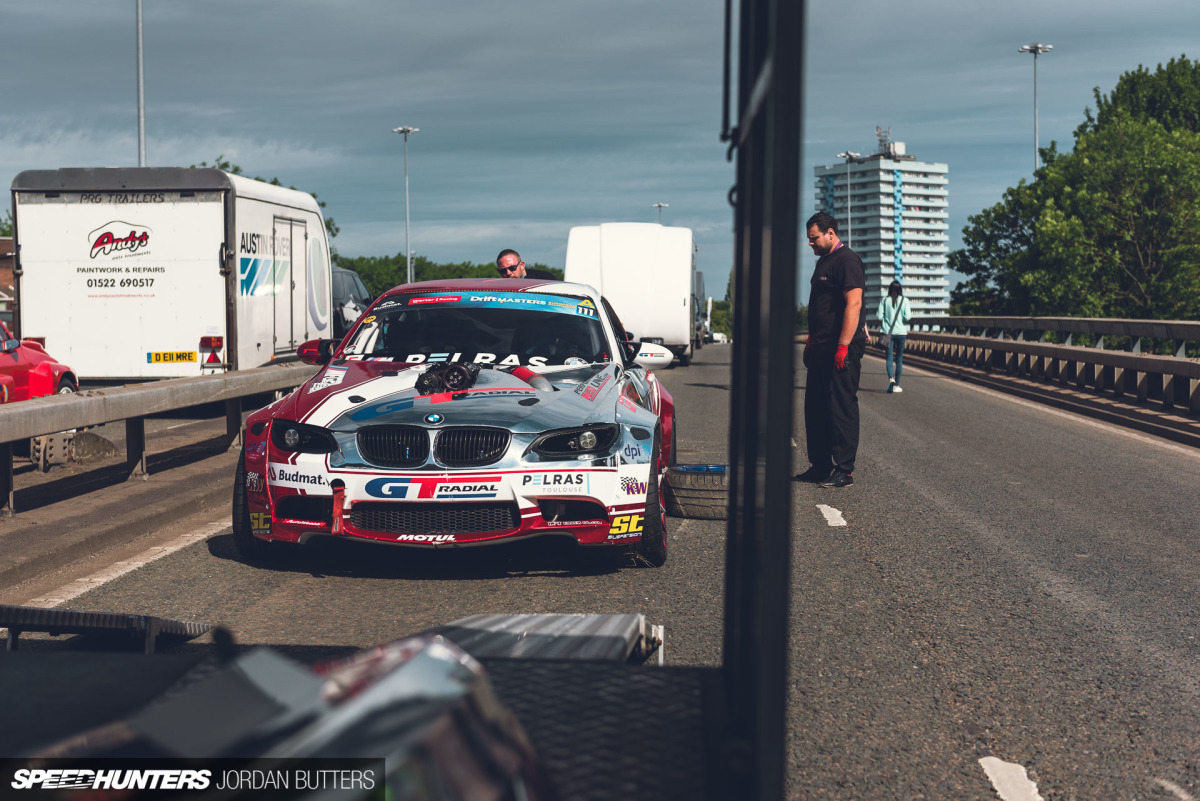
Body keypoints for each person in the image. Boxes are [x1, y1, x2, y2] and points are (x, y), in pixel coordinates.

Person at [795, 212, 866, 488]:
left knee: (841, 408)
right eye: (809, 240)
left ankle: (844, 470)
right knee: (815, 409)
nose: (810, 244)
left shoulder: (847, 261)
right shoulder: (825, 261)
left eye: (814, 239)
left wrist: (843, 346)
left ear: (830, 234)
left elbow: (854, 305)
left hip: (840, 349)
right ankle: (820, 465)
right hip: (820, 348)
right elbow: (821, 308)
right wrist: (812, 340)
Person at [876, 280, 912, 394]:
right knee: (899, 360)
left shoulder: (885, 300)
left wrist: (887, 319)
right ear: (900, 290)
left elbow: (878, 317)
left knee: (889, 359)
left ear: (890, 289)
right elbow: (908, 317)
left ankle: (891, 379)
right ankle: (897, 386)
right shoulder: (905, 300)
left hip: (888, 333)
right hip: (901, 333)